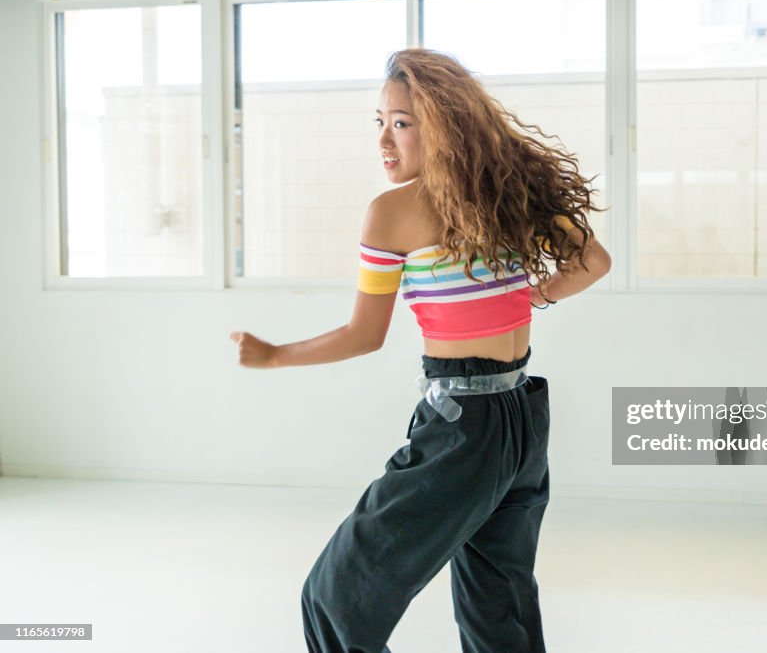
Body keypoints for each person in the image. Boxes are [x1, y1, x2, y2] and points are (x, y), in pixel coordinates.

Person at [229, 48, 611, 653]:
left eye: (402, 123)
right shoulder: (509, 195)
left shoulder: (391, 214)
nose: (385, 139)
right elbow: (594, 261)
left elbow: (365, 335)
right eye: (379, 121)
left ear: (446, 126)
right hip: (522, 419)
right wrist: (539, 293)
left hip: (464, 425)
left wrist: (275, 355)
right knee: (498, 603)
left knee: (338, 594)